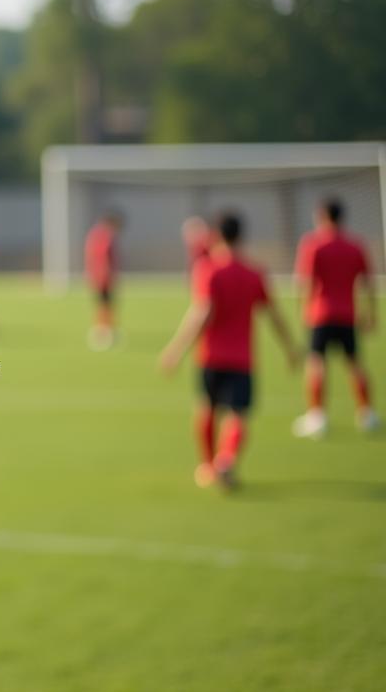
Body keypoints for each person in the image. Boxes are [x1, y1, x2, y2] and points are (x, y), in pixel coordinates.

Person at [160, 212, 297, 490]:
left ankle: (208, 465)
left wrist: (176, 350)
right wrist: (290, 347)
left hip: (210, 356)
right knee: (238, 414)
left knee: (207, 409)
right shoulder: (253, 272)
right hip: (242, 358)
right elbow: (273, 314)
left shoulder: (208, 269)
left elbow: (202, 312)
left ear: (217, 235)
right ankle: (226, 461)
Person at [291, 198, 379, 438]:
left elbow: (305, 280)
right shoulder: (355, 246)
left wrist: (303, 308)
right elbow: (368, 282)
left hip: (321, 313)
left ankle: (317, 415)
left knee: (316, 363)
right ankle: (367, 413)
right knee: (355, 364)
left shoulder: (313, 244)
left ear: (322, 216)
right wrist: (372, 313)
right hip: (348, 314)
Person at [84, 210, 123, 350]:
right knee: (105, 306)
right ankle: (103, 333)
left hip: (97, 276)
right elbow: (102, 257)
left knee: (104, 305)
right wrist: (107, 275)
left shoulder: (96, 234)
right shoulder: (104, 236)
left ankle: (104, 331)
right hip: (102, 278)